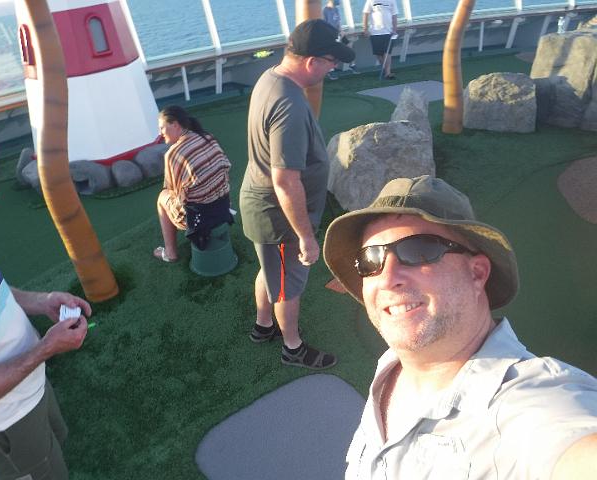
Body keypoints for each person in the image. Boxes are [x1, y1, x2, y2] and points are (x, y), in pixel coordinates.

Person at [323, 175, 597, 479]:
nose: (387, 279)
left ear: (477, 273)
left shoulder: (530, 401)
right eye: (370, 260)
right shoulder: (391, 368)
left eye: (419, 251)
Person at [0, 118, 90, 479]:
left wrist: (42, 301)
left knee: (56, 447)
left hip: (28, 392)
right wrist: (44, 349)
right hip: (3, 422)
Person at [240, 19, 354, 370]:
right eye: (331, 61)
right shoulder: (288, 104)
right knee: (288, 286)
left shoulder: (270, 77)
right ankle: (292, 347)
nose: (333, 68)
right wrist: (305, 237)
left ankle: (263, 326)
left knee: (270, 271)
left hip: (262, 207)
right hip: (279, 218)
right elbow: (286, 181)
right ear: (311, 61)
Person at [154, 105, 233, 261]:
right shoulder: (207, 137)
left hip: (200, 218)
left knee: (162, 197)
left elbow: (175, 193)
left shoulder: (173, 154)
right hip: (224, 206)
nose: (160, 133)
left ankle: (170, 253)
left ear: (175, 125)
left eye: (162, 128)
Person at [362, 0, 398, 79]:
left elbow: (394, 15)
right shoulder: (370, 1)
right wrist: (365, 29)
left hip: (388, 31)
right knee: (378, 53)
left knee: (387, 52)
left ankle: (388, 73)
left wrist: (394, 29)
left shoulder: (392, 1)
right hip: (374, 31)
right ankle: (386, 71)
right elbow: (365, 13)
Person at [322, 0, 358, 80]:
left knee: (349, 45)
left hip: (337, 33)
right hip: (329, 35)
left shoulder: (336, 9)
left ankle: (352, 65)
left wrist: (341, 31)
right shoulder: (324, 11)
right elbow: (324, 26)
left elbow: (338, 22)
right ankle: (331, 70)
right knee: (332, 52)